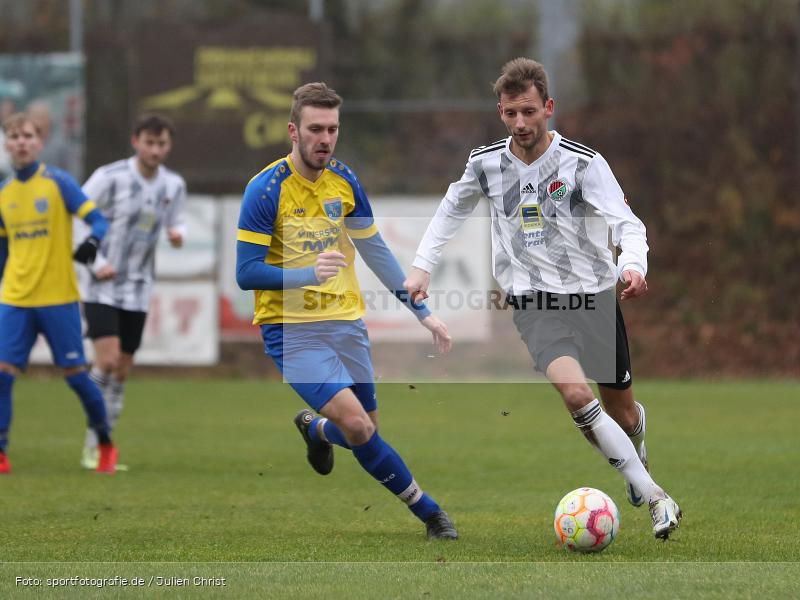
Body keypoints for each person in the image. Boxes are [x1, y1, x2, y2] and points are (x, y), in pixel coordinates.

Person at [403, 58, 682, 539]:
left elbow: (626, 223)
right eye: (510, 113)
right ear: (500, 112)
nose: (520, 123)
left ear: (548, 107)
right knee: (576, 394)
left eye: (529, 111)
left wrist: (634, 264)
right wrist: (423, 264)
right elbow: (452, 208)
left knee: (624, 411)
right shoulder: (486, 163)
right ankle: (656, 497)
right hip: (533, 302)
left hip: (593, 295)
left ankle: (638, 449)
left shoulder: (583, 163)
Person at [235, 82, 458, 540]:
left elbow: (376, 253)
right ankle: (431, 513)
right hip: (291, 329)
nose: (325, 139)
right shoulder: (265, 189)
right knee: (357, 424)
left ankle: (316, 431)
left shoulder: (345, 180)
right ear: (292, 131)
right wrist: (306, 275)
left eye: (332, 129)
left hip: (345, 322)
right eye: (315, 129)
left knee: (365, 428)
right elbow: (246, 273)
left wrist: (423, 313)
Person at [0, 113, 117, 474]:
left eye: (28, 136)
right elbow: (4, 252)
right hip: (16, 298)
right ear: (7, 143)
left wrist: (93, 243)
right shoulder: (4, 194)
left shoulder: (58, 182)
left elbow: (97, 219)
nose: (21, 141)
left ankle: (105, 442)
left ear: (39, 142)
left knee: (75, 377)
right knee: (2, 374)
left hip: (58, 297)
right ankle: (1, 451)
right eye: (14, 135)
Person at [76, 115, 187, 470]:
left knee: (121, 372)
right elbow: (77, 217)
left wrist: (177, 233)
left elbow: (177, 220)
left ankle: (105, 443)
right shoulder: (109, 178)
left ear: (168, 146)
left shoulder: (173, 185)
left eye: (162, 144)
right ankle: (94, 444)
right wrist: (96, 262)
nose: (155, 150)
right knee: (105, 362)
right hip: (101, 286)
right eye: (149, 143)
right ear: (135, 141)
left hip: (138, 288)